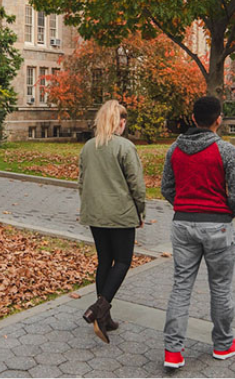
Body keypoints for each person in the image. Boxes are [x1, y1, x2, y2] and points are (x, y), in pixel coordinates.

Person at [160, 95, 235, 369]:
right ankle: (223, 344)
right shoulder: (226, 151)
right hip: (217, 225)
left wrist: (184, 206)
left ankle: (173, 351)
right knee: (220, 286)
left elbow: (166, 187)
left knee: (181, 286)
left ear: (193, 118)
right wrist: (225, 213)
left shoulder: (174, 150)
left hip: (183, 224)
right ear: (218, 119)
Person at [77, 99, 146, 343]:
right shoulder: (125, 147)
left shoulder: (88, 147)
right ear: (120, 122)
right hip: (120, 213)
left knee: (105, 261)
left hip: (95, 213)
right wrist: (140, 211)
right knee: (123, 261)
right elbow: (136, 184)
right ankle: (99, 309)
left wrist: (88, 206)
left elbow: (81, 182)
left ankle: (104, 317)